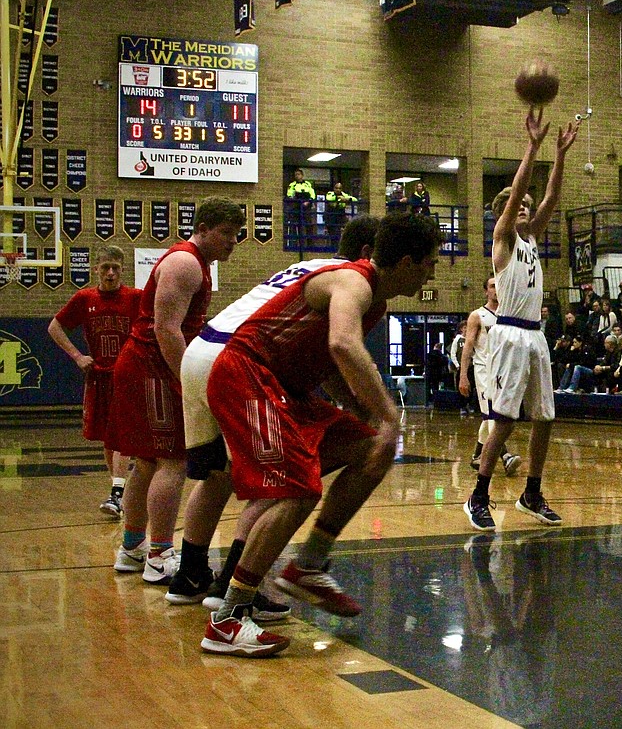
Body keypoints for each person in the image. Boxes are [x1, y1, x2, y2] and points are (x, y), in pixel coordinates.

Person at [201, 211, 440, 656]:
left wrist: (362, 415)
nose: (433, 270)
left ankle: (308, 564)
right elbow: (343, 345)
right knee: (298, 489)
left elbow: (329, 364)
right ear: (407, 261)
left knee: (372, 448)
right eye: (430, 261)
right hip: (246, 375)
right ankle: (228, 618)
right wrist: (389, 415)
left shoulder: (376, 302)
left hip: (284, 387)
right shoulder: (354, 281)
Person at [161, 216, 380, 611]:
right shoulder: (351, 281)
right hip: (236, 360)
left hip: (200, 351)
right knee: (275, 476)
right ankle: (233, 583)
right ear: (368, 254)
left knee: (215, 474)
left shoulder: (309, 265)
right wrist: (361, 404)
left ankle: (190, 573)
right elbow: (331, 357)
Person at [108, 199, 244, 584]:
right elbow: (165, 329)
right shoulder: (186, 263)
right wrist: (188, 382)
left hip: (144, 366)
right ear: (202, 228)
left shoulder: (193, 263)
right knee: (173, 463)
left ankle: (132, 548)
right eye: (226, 234)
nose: (232, 242)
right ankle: (159, 554)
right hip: (153, 366)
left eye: (236, 235)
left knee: (148, 463)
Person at [464, 108, 579, 532]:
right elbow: (519, 195)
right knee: (505, 420)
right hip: (510, 333)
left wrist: (560, 155)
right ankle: (479, 494)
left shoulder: (532, 237)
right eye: (521, 204)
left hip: (536, 337)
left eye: (529, 205)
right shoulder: (504, 237)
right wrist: (532, 147)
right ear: (508, 212)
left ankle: (531, 492)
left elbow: (551, 198)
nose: (528, 207)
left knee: (545, 418)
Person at [47, 245, 142, 517]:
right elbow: (55, 327)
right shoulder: (84, 298)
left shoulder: (136, 298)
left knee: (123, 435)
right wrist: (77, 356)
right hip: (98, 376)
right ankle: (119, 492)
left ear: (123, 269)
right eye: (105, 268)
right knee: (107, 439)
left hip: (126, 377)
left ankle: (116, 493)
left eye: (115, 268)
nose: (110, 273)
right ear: (96, 269)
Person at [459, 276, 523, 476]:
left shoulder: (508, 314)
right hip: (483, 370)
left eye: (499, 286)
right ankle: (505, 456)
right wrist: (463, 375)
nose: (497, 289)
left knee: (490, 416)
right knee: (494, 414)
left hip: (503, 371)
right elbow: (468, 346)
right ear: (486, 290)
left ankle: (478, 456)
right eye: (493, 286)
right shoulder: (477, 316)